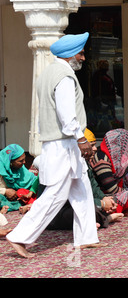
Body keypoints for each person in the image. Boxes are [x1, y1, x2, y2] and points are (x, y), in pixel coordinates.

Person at [6, 32, 104, 258]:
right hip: (64, 144)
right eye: (80, 54)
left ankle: (87, 237)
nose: (82, 58)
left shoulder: (49, 72)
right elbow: (66, 113)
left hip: (62, 143)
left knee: (82, 190)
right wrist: (81, 138)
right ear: (70, 55)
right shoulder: (64, 76)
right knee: (55, 195)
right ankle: (20, 236)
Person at [43, 129, 124, 230]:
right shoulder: (64, 165)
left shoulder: (84, 162)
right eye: (91, 145)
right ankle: (105, 219)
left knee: (112, 199)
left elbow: (93, 186)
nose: (94, 148)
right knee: (90, 209)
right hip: (59, 210)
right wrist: (101, 204)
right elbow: (71, 198)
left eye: (95, 144)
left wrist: (104, 199)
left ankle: (94, 220)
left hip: (81, 203)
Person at [89, 128, 128, 216]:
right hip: (104, 197)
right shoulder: (101, 159)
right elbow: (111, 189)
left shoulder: (114, 161)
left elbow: (126, 186)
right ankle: (112, 213)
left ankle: (123, 209)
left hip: (111, 196)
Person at [0, 144, 38, 214]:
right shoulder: (1, 169)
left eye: (24, 159)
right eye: (21, 161)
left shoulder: (21, 169)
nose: (24, 162)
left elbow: (33, 180)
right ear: (10, 162)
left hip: (16, 197)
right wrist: (5, 191)